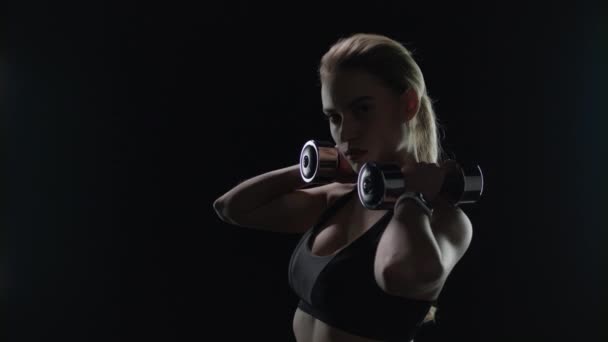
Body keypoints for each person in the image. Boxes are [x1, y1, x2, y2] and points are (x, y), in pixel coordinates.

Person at [213, 33, 473, 342]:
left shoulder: (444, 221)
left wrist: (413, 196)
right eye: (334, 117)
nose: (345, 132)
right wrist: (311, 168)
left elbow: (397, 272)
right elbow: (232, 208)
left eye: (362, 110)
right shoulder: (339, 198)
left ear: (408, 104)